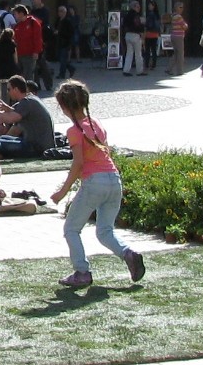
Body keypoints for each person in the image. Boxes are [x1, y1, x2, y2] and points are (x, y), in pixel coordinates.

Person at [48, 79, 142, 291]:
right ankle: (128, 254)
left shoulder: (74, 131)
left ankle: (82, 272)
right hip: (113, 179)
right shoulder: (97, 123)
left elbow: (79, 162)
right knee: (105, 231)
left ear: (64, 106)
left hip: (94, 181)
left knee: (71, 229)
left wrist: (62, 192)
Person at [0, 75, 54, 160]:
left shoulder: (27, 102)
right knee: (3, 138)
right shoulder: (31, 99)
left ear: (16, 89)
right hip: (39, 145)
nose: (8, 92)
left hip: (37, 148)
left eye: (9, 89)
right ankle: (0, 155)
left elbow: (10, 119)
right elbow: (18, 111)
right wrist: (9, 109)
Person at [11, 3, 48, 92]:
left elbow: (37, 38)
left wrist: (36, 52)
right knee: (20, 75)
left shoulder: (33, 22)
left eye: (15, 14)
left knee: (28, 75)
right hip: (19, 54)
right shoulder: (18, 25)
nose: (14, 16)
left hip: (29, 54)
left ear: (21, 13)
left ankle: (29, 92)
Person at [120, 3, 144, 76]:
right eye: (138, 6)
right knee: (138, 54)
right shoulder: (136, 15)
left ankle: (126, 70)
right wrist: (142, 32)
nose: (139, 8)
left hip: (127, 35)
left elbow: (123, 25)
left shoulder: (126, 15)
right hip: (135, 35)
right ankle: (139, 71)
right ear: (134, 7)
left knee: (129, 53)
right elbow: (138, 25)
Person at [168, 4, 188, 78]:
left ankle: (169, 68)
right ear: (176, 8)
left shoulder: (173, 16)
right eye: (180, 7)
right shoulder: (178, 17)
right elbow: (184, 26)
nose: (182, 9)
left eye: (182, 7)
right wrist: (186, 25)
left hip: (173, 36)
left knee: (176, 53)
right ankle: (180, 70)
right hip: (178, 36)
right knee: (180, 54)